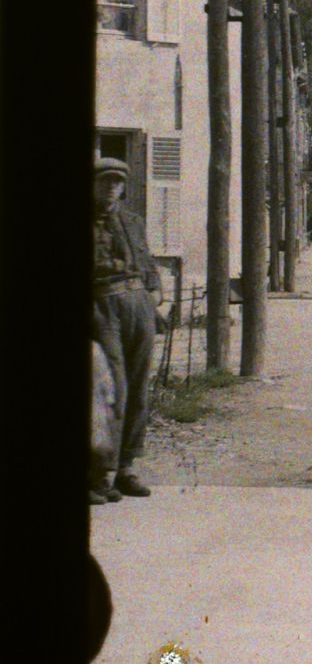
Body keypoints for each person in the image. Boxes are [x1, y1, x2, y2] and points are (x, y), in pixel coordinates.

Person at [91, 155, 165, 503]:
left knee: (138, 389)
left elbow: (147, 262)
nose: (111, 187)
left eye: (117, 183)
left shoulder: (133, 221)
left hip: (138, 304)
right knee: (112, 388)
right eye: (105, 181)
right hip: (102, 306)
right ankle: (98, 474)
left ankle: (125, 467)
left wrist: (155, 292)